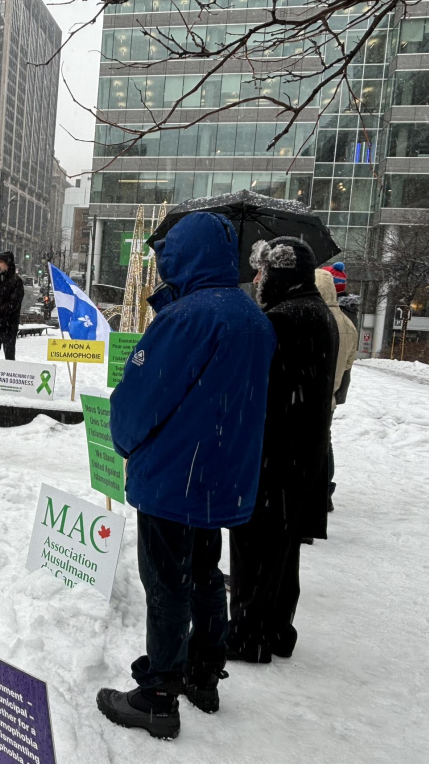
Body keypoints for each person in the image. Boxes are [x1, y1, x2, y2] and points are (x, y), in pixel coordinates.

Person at [96, 212, 276, 740]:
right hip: (220, 476)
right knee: (202, 573)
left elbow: (138, 403)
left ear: (186, 253)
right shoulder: (251, 316)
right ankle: (202, 672)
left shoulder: (188, 318)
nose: (161, 259)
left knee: (166, 582)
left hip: (174, 477)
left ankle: (157, 693)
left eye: (168, 250)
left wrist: (126, 442)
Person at [227, 238, 339, 664]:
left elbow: (255, 385)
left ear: (280, 272)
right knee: (282, 550)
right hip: (299, 455)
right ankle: (276, 629)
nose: (257, 281)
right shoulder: (315, 311)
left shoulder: (285, 318)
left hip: (274, 454)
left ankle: (248, 636)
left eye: (263, 273)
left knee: (255, 547)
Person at [316, 269, 357, 512]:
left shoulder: (311, 316)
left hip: (305, 393)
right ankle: (326, 490)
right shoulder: (346, 323)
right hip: (328, 395)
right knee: (324, 441)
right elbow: (349, 363)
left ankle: (313, 492)